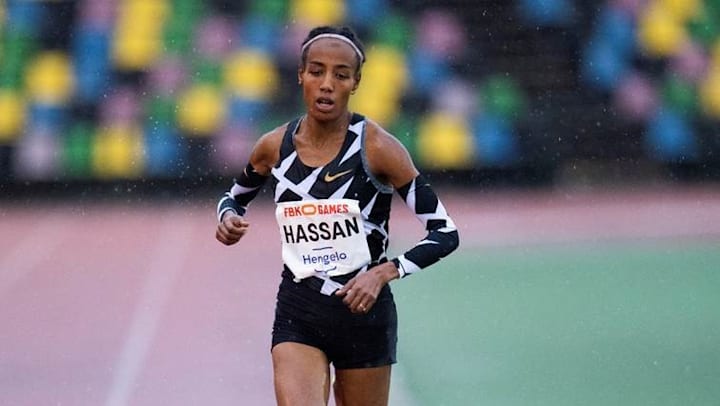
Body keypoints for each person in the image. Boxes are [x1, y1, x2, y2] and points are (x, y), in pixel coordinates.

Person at [215, 25, 459, 406]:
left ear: (355, 83)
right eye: (317, 71)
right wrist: (228, 218)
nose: (327, 84)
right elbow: (233, 199)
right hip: (300, 309)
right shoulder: (273, 147)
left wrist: (384, 272)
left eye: (341, 75)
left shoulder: (379, 149)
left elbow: (445, 232)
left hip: (364, 315)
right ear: (301, 75)